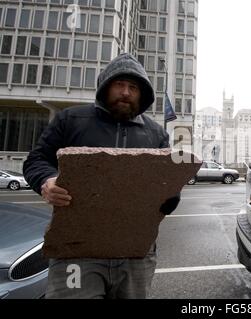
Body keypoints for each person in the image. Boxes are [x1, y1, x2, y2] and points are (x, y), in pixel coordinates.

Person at [23, 53, 180, 299]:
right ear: (106, 86)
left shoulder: (156, 134)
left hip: (135, 254)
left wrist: (169, 197)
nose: (126, 92)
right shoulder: (71, 120)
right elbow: (37, 160)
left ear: (142, 94)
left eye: (133, 87)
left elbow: (167, 186)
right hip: (75, 253)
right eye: (119, 84)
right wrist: (47, 181)